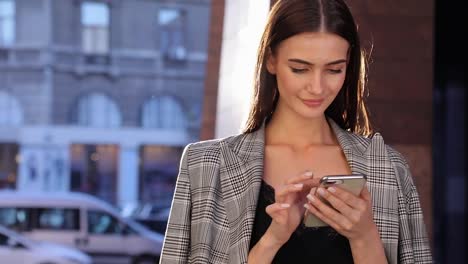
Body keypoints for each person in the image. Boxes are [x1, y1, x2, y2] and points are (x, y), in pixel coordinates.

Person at [160, 0, 432, 263]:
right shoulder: (207, 165)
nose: (317, 87)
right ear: (271, 61)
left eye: (334, 70)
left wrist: (364, 237)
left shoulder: (389, 168)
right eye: (300, 69)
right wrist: (272, 239)